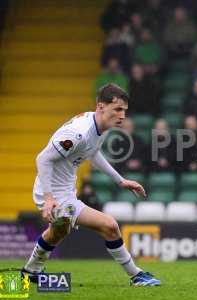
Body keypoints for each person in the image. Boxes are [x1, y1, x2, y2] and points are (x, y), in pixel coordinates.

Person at [22, 84, 161, 287]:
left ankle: (30, 271)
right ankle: (136, 275)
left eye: (124, 111)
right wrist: (49, 198)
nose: (122, 115)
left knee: (59, 231)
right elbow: (43, 159)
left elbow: (92, 153)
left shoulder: (100, 126)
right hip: (53, 192)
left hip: (65, 190)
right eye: (118, 109)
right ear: (101, 106)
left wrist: (120, 180)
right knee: (110, 226)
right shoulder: (78, 133)